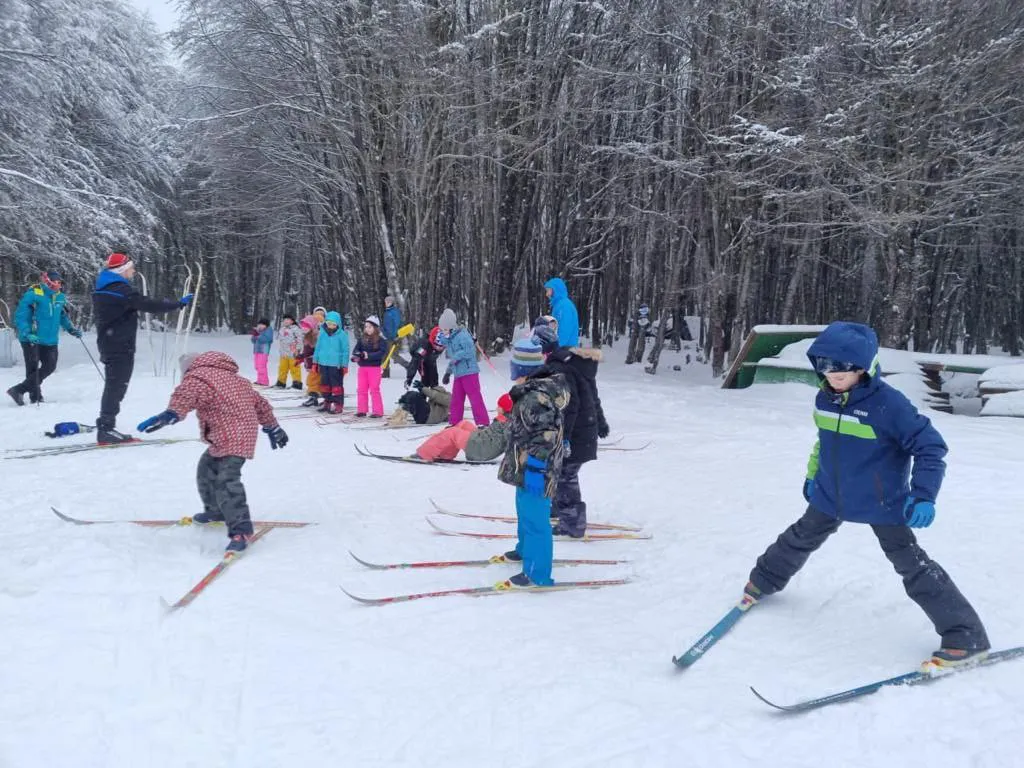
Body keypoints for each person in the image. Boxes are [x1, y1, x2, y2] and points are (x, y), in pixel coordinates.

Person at [742, 321, 990, 671]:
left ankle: (966, 637)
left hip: (882, 501)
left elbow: (931, 447)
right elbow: (824, 441)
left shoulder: (890, 405)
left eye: (842, 367)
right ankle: (763, 581)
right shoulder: (824, 396)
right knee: (800, 536)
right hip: (831, 493)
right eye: (825, 365)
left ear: (862, 366)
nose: (833, 374)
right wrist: (813, 476)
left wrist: (923, 495)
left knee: (912, 566)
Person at [136, 351, 288, 553]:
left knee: (226, 480)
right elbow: (260, 404)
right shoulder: (235, 379)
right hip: (233, 434)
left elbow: (187, 394)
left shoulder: (199, 377)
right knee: (206, 469)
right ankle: (216, 511)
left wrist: (171, 413)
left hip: (233, 436)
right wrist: (273, 426)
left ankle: (241, 530)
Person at [92, 252, 192, 444]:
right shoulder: (119, 290)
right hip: (119, 345)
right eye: (131, 268)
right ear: (122, 270)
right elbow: (148, 304)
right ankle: (106, 429)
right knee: (116, 386)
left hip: (111, 343)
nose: (134, 271)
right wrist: (176, 304)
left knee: (115, 385)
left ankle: (106, 426)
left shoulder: (105, 287)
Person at [495, 338, 569, 587]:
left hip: (537, 470)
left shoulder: (534, 398)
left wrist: (537, 468)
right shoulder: (528, 394)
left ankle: (537, 573)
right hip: (524, 466)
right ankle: (525, 550)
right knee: (524, 511)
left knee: (536, 520)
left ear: (522, 371)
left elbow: (545, 434)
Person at [532, 319, 609, 538]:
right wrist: (600, 423)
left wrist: (564, 439)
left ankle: (573, 523)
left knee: (566, 475)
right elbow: (593, 396)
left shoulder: (559, 369)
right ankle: (560, 509)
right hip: (583, 431)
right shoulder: (571, 363)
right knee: (559, 472)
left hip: (576, 435)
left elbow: (571, 406)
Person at [7, 270, 82, 406]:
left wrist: (71, 329)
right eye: (57, 282)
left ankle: (18, 389)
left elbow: (62, 316)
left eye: (60, 283)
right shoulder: (33, 295)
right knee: (32, 368)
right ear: (49, 282)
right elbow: (21, 316)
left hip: (50, 339)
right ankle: (36, 397)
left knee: (50, 366)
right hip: (32, 337)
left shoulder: (60, 297)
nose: (59, 285)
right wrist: (27, 333)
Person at [414, 393, 513, 462]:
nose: (496, 408)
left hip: (481, 450)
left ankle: (424, 454)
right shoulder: (507, 419)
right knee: (464, 424)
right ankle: (446, 455)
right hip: (484, 443)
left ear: (505, 409)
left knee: (452, 432)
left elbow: (512, 440)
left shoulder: (508, 423)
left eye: (499, 406)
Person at [436, 308, 489, 426]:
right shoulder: (449, 340)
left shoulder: (462, 335)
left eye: (445, 329)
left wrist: (455, 357)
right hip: (458, 374)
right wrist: (448, 373)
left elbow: (469, 351)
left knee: (475, 398)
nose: (443, 331)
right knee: (456, 399)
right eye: (442, 329)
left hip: (469, 372)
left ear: (451, 326)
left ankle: (483, 423)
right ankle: (454, 422)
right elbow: (452, 359)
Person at [312, 311, 349, 414]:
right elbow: (318, 348)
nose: (331, 326)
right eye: (329, 323)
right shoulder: (323, 333)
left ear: (338, 324)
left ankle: (338, 404)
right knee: (325, 384)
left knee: (336, 386)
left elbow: (345, 351)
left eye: (333, 324)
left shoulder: (342, 335)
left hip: (336, 365)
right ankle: (327, 402)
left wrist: (344, 365)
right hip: (323, 363)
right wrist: (315, 362)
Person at [352, 315, 387, 417]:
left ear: (375, 328)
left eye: (370, 327)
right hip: (362, 368)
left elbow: (381, 352)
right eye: (366, 327)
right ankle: (362, 410)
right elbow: (356, 350)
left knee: (374, 389)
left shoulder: (381, 340)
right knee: (361, 389)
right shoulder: (362, 339)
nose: (367, 329)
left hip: (374, 368)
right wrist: (357, 356)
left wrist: (369, 356)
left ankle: (378, 411)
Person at [543, 277, 580, 347]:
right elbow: (555, 327)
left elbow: (564, 329)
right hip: (562, 348)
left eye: (548, 291)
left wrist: (555, 346)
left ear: (555, 290)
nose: (546, 294)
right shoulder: (558, 305)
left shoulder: (564, 306)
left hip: (566, 349)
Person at [295, 315, 321, 407]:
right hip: (309, 364)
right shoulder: (307, 336)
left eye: (307, 326)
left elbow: (313, 352)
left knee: (312, 380)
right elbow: (306, 352)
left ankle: (313, 398)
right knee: (311, 380)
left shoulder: (315, 337)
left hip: (315, 364)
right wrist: (301, 358)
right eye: (303, 326)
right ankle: (314, 397)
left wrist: (312, 360)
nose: (304, 328)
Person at [275, 314, 304, 389]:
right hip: (283, 353)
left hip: (293, 353)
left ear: (292, 321)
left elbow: (300, 340)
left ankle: (297, 382)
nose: (286, 321)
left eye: (288, 319)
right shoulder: (282, 329)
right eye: (285, 320)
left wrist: (298, 349)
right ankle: (281, 382)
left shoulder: (296, 329)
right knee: (282, 368)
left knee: (295, 368)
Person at [381, 295, 402, 378]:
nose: (386, 303)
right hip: (386, 337)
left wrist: (396, 336)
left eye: (388, 302)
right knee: (385, 355)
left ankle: (409, 366)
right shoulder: (387, 312)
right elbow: (386, 325)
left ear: (392, 303)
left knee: (394, 356)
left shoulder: (394, 312)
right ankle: (385, 373)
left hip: (393, 337)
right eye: (386, 302)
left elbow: (397, 324)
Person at [251, 318, 273, 386]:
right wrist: (254, 336)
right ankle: (259, 380)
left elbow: (267, 339)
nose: (260, 326)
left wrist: (258, 336)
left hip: (263, 351)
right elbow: (253, 341)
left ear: (266, 325)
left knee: (261, 366)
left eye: (262, 324)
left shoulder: (268, 330)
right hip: (257, 351)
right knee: (257, 366)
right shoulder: (258, 331)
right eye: (259, 324)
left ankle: (264, 381)